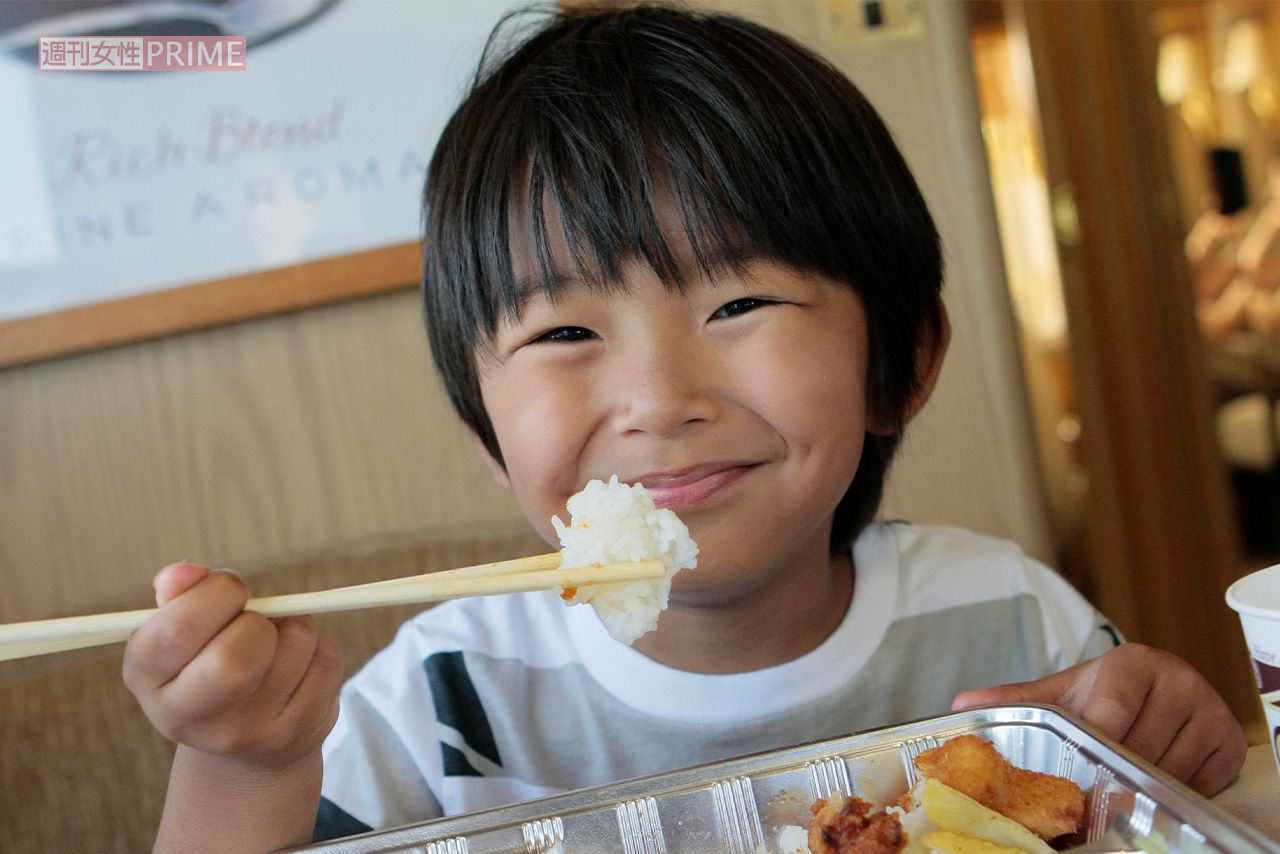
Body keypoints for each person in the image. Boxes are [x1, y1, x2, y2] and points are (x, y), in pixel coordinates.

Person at [122, 5, 1247, 851]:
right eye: (564, 330)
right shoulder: (441, 698)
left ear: (897, 361)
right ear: (486, 429)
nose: (659, 398)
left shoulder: (1009, 621)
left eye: (739, 303)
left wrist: (1175, 751)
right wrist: (238, 764)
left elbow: (1152, 797)